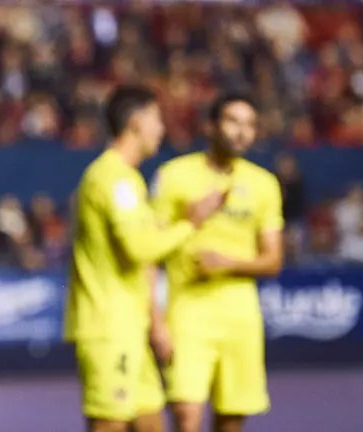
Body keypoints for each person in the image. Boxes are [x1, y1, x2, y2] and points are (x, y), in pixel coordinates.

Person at [62, 85, 226, 432]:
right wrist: (190, 223)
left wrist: (155, 322)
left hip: (130, 326)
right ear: (136, 122)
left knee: (151, 421)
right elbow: (139, 248)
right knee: (109, 423)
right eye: (157, 119)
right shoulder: (112, 178)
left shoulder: (127, 178)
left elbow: (140, 256)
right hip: (109, 327)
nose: (162, 129)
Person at [150, 94, 284, 432]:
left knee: (231, 420)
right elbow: (149, 253)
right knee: (186, 414)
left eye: (249, 124)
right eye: (233, 121)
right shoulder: (173, 176)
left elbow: (273, 260)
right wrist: (156, 320)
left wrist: (228, 263)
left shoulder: (264, 184)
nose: (241, 131)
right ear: (210, 126)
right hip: (187, 312)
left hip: (241, 317)